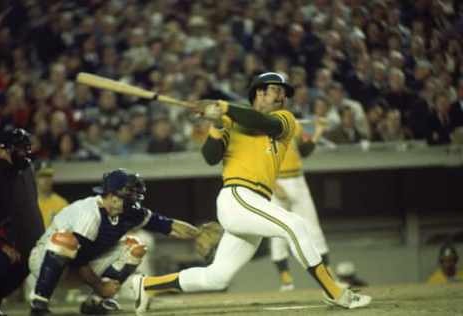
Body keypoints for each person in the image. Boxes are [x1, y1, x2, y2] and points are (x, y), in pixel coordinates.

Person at [129, 72, 372, 315]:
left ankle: (147, 285)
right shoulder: (230, 121)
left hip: (255, 204)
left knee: (217, 278)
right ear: (259, 92)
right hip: (237, 197)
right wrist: (217, 124)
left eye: (284, 93)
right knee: (295, 225)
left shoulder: (284, 119)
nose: (282, 96)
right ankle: (335, 292)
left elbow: (262, 123)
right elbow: (210, 157)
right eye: (277, 90)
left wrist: (224, 108)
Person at [28, 169, 201, 316]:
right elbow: (79, 260)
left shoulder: (128, 211)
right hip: (47, 263)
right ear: (112, 196)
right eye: (129, 194)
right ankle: (39, 302)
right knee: (65, 240)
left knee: (135, 246)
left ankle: (94, 303)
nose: (134, 199)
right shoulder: (89, 213)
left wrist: (199, 234)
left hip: (80, 265)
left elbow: (167, 225)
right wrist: (101, 286)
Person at [0, 128, 45, 316]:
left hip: (6, 240)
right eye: (18, 149)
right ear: (1, 150)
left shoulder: (19, 173)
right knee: (1, 262)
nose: (23, 154)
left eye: (25, 149)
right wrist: (0, 245)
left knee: (25, 263)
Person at [270, 116, 330, 291]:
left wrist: (318, 131)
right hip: (277, 181)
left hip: (298, 179)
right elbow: (258, 159)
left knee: (314, 228)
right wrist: (273, 184)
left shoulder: (293, 123)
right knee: (278, 231)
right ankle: (285, 279)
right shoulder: (261, 125)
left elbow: (304, 150)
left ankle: (328, 276)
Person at [35, 161, 68, 228]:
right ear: (35, 178)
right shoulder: (29, 203)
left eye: (49, 176)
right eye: (42, 176)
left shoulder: (62, 203)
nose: (46, 179)